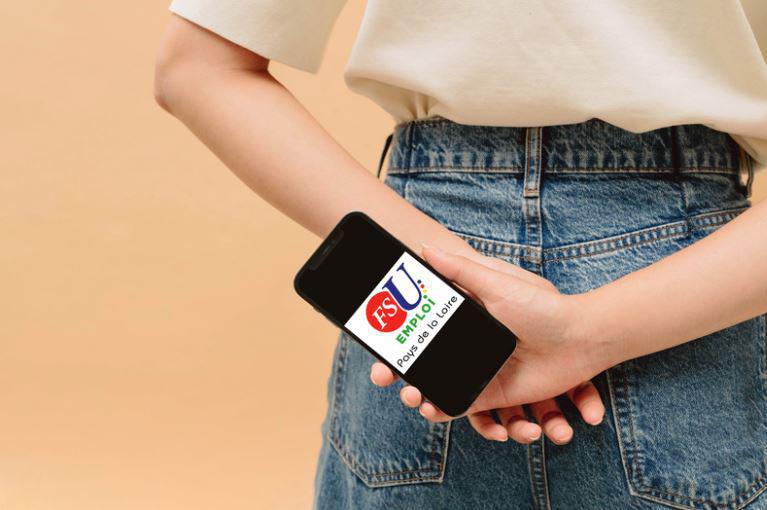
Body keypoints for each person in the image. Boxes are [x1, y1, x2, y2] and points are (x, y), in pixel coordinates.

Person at [153, 1, 767, 508]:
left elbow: (198, 67)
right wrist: (586, 331)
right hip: (687, 289)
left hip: (420, 273)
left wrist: (454, 287)